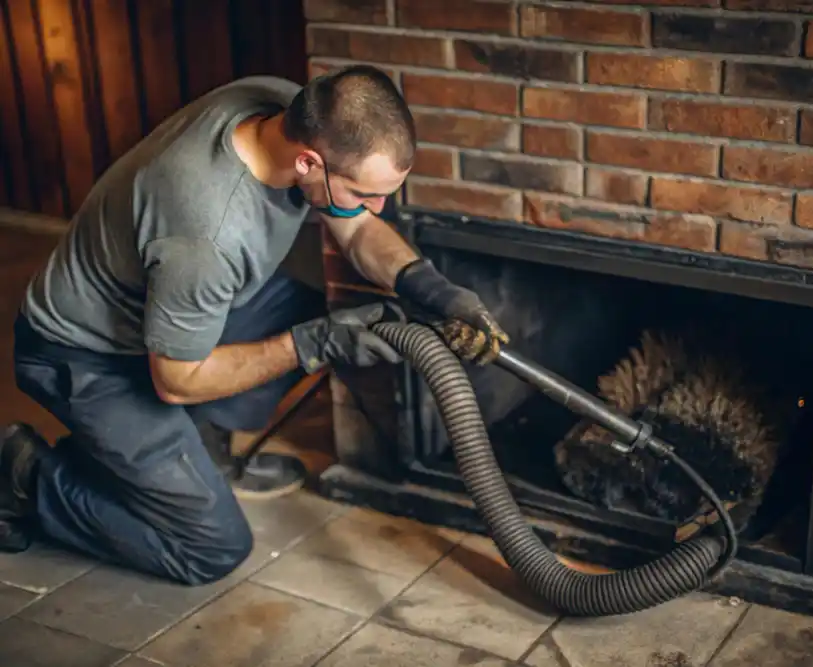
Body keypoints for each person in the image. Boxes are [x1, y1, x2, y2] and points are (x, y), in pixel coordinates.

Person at [0, 65, 509, 586]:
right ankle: (25, 476)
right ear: (308, 161)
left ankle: (196, 451)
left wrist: (432, 288)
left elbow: (356, 228)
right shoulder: (206, 235)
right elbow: (176, 380)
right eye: (365, 193)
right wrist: (315, 343)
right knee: (211, 548)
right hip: (86, 355)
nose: (378, 207)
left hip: (177, 307)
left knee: (308, 308)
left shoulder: (282, 108)